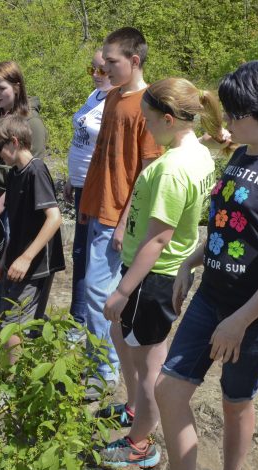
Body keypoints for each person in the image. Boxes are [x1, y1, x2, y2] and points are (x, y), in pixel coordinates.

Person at [131, 60, 258, 470]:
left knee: (236, 400)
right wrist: (191, 264)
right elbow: (226, 223)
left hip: (255, 315)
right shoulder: (242, 156)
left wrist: (241, 320)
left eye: (236, 112)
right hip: (211, 298)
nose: (226, 121)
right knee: (170, 390)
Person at [97, 77, 223, 470]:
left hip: (155, 278)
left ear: (169, 119)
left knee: (149, 363)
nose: (146, 128)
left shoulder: (172, 169)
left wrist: (122, 291)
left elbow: (158, 239)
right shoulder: (197, 153)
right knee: (123, 336)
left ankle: (140, 445)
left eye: (149, 120)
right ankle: (136, 409)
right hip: (156, 275)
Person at [77, 27, 162, 400]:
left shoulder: (149, 105)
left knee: (100, 294)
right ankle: (104, 361)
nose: (105, 67)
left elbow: (146, 170)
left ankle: (106, 369)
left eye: (112, 62)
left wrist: (125, 220)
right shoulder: (111, 98)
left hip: (118, 216)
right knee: (97, 291)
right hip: (96, 207)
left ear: (134, 61)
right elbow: (100, 159)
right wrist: (85, 205)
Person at [0, 114, 64, 417]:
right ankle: (24, 375)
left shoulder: (35, 171)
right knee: (16, 321)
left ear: (14, 142)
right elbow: (15, 223)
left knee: (12, 325)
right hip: (16, 257)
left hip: (35, 263)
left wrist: (27, 256)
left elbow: (54, 218)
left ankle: (10, 388)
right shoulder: (15, 173)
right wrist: (6, 257)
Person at [0, 61, 48, 326]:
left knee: (10, 257)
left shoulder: (32, 124)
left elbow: (28, 169)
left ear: (17, 86)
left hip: (13, 204)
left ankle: (7, 320)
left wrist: (2, 204)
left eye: (1, 88)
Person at [65, 48, 114, 334]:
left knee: (88, 253)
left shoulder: (115, 102)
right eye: (92, 70)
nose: (96, 75)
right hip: (81, 183)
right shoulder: (93, 97)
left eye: (102, 70)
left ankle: (81, 321)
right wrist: (72, 178)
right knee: (80, 251)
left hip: (97, 189)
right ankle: (78, 317)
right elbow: (81, 140)